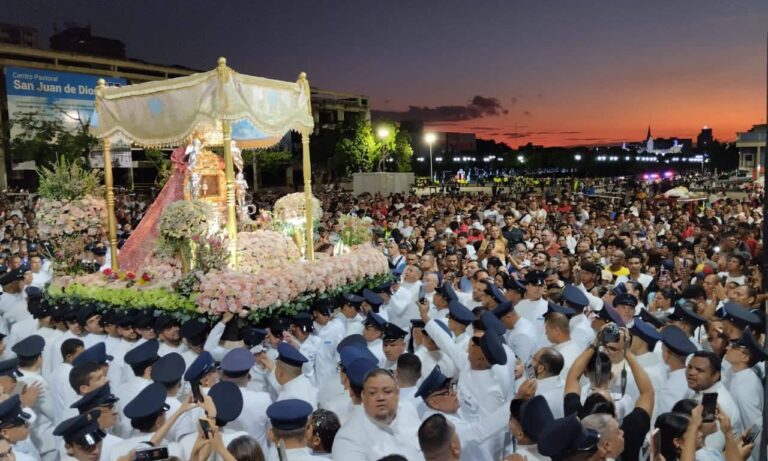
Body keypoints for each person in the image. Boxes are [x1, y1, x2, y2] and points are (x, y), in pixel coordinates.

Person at [331, 369, 422, 461]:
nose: (380, 398)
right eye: (372, 393)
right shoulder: (347, 438)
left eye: (387, 391)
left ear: (397, 393)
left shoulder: (409, 409)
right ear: (363, 396)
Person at [70, 383, 123, 461]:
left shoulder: (70, 440)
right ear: (93, 414)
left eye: (113, 407)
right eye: (109, 408)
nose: (115, 412)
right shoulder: (116, 444)